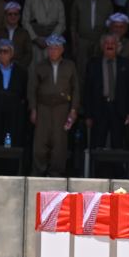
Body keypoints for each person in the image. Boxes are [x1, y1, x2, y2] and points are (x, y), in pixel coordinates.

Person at [28, 35, 78, 176]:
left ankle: (56, 173)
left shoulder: (70, 66)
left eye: (56, 48)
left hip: (62, 108)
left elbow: (75, 89)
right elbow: (32, 89)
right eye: (50, 48)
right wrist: (33, 109)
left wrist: (73, 110)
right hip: (43, 107)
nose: (53, 51)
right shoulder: (40, 66)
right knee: (40, 143)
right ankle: (39, 172)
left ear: (62, 50)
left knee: (59, 143)